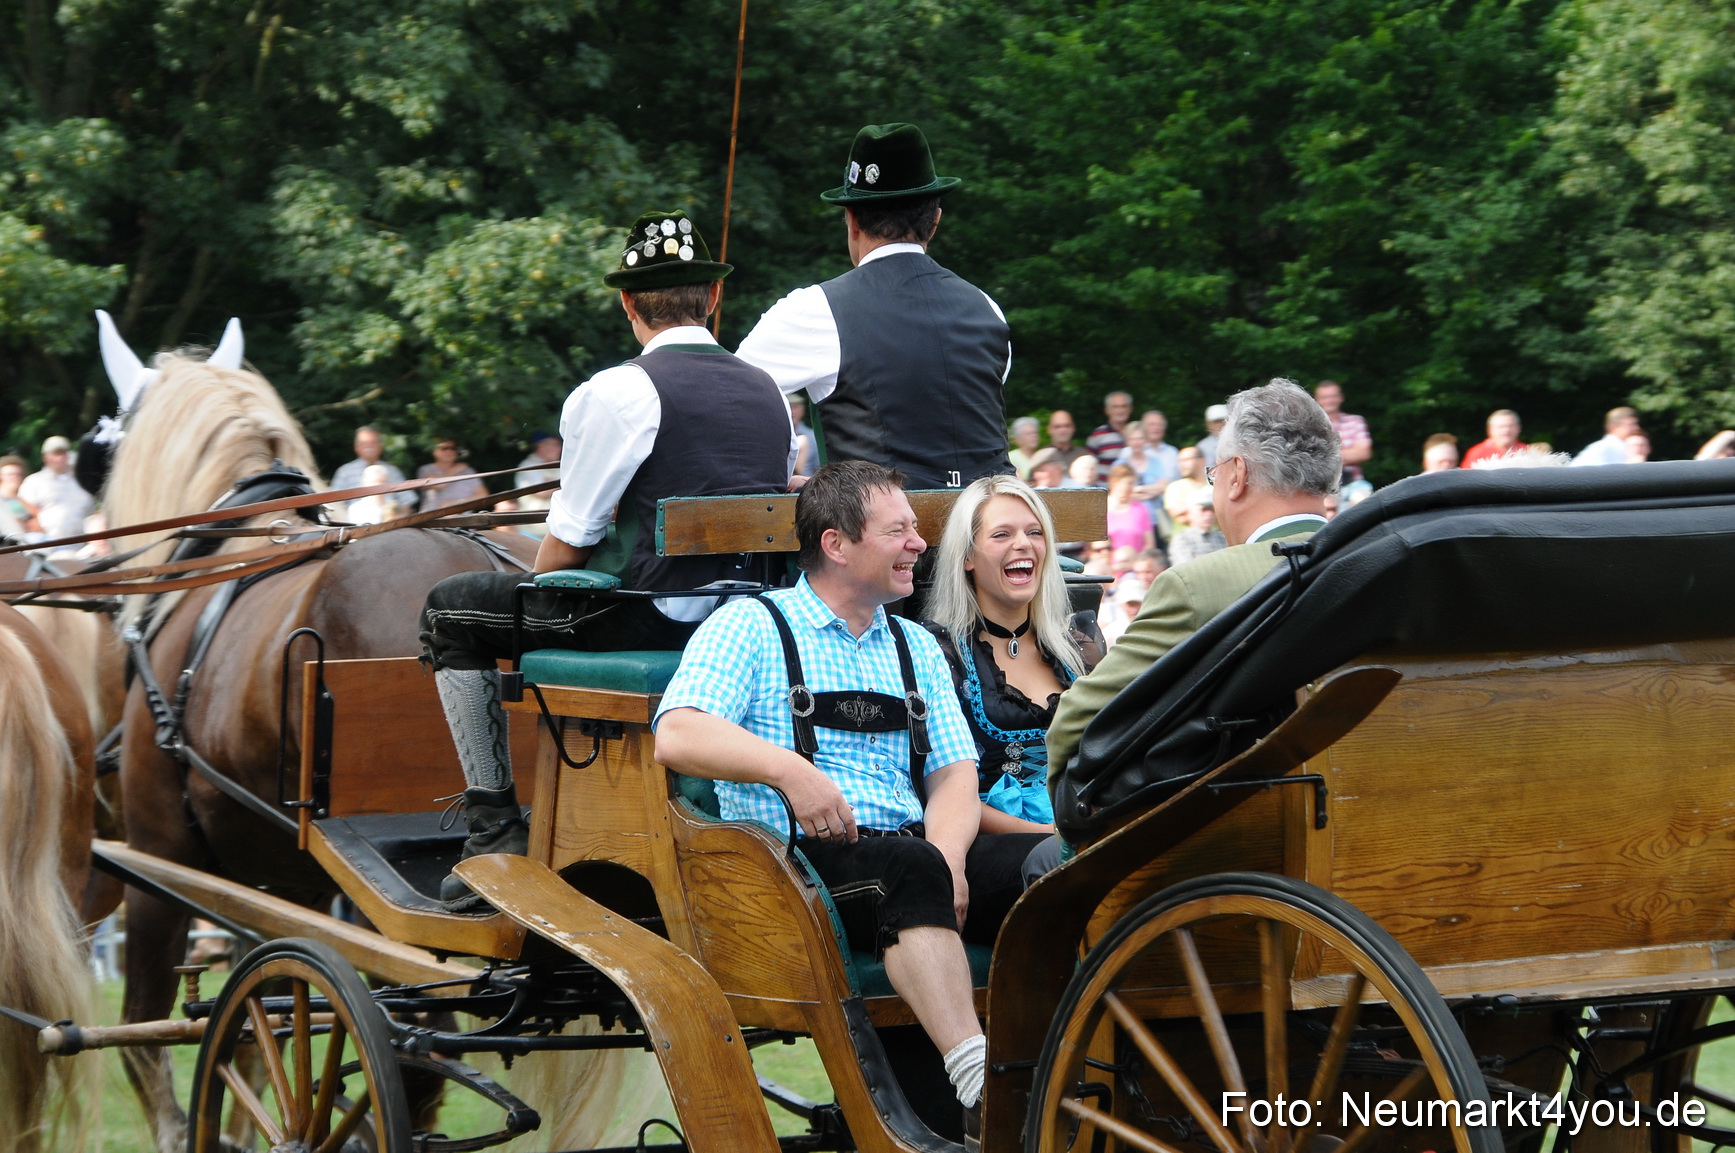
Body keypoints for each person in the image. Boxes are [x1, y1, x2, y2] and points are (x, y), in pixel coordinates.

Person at [653, 461, 1048, 1134]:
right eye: (897, 531)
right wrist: (789, 770)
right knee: (910, 867)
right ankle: (981, 1081)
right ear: (836, 544)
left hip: (912, 857)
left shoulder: (914, 644)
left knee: (1053, 863)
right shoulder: (751, 625)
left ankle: (1074, 1052)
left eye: (914, 530)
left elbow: (954, 774)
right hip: (794, 870)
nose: (919, 544)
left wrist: (952, 858)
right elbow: (678, 732)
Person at [421, 210, 794, 908]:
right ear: (713, 297)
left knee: (449, 612)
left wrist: (539, 594)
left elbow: (567, 543)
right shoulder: (769, 390)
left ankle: (493, 827)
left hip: (648, 617)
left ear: (628, 303)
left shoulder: (617, 391)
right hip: (747, 618)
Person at [1047, 379, 1337, 777]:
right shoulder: (1386, 566)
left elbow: (1076, 724)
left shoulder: (1194, 589)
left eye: (1213, 474)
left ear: (1237, 476)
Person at [737, 123, 1012, 490]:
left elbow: (729, 398)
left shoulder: (815, 309)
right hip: (991, 520)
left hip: (882, 524)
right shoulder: (988, 308)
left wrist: (790, 478)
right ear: (935, 222)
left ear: (851, 221)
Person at [921, 475, 1088, 839]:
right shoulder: (937, 652)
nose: (1023, 544)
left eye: (1035, 532)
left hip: (1081, 829)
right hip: (994, 843)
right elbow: (940, 790)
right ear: (967, 556)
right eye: (1001, 534)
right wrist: (1050, 837)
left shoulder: (1077, 647)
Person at [19, 436, 94, 543]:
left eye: (63, 453)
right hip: (49, 544)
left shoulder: (82, 479)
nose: (60, 458)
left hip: (85, 542)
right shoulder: (33, 482)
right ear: (45, 457)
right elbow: (25, 514)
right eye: (56, 454)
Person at [330, 426, 412, 517]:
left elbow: (406, 503)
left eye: (373, 442)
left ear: (381, 445)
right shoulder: (345, 472)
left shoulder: (392, 471)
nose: (369, 446)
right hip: (352, 522)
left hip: (391, 521)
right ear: (356, 447)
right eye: (364, 443)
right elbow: (334, 504)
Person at [1313, 380, 1371, 484]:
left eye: (1333, 396)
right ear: (1316, 400)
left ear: (1341, 397)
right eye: (1325, 397)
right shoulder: (1310, 425)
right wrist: (1348, 454)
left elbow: (1364, 453)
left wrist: (1323, 456)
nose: (1330, 400)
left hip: (1353, 484)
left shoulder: (1355, 421)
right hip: (1320, 485)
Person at [512, 431, 562, 538]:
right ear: (541, 446)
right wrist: (564, 483)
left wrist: (554, 483)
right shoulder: (528, 466)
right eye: (555, 445)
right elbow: (542, 491)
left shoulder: (559, 466)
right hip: (534, 530)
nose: (559, 449)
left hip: (555, 528)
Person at [416, 439, 488, 511]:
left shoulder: (468, 471)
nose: (449, 451)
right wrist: (456, 469)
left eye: (453, 448)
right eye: (444, 448)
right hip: (432, 516)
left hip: (464, 516)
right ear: (434, 451)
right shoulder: (425, 469)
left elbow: (483, 495)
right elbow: (438, 485)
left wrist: (458, 503)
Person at [1104, 464, 1156, 555]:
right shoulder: (1100, 509)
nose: (1133, 487)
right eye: (1129, 483)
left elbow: (1149, 544)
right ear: (1114, 482)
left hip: (1136, 560)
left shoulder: (1140, 509)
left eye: (1133, 483)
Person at [1086, 391, 1134, 483]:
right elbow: (1089, 465)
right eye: (1115, 407)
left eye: (1124, 406)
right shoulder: (1097, 435)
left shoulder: (1138, 434)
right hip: (1104, 488)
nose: (1120, 410)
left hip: (1132, 489)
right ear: (1107, 410)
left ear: (1130, 409)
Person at [1167, 493, 1227, 567]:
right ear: (1190, 513)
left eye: (1212, 510)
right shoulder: (1182, 539)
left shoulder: (1222, 537)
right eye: (1203, 509)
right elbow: (1186, 568)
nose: (1209, 514)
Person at [1572, 406, 1641, 466]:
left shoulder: (1622, 446)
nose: (1637, 428)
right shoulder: (1603, 447)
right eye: (1631, 424)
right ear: (1614, 427)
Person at [1161, 445, 1210, 526]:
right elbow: (1178, 517)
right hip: (1183, 534)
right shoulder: (1174, 487)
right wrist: (1208, 506)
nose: (1181, 465)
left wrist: (1187, 509)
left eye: (1186, 460)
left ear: (1201, 461)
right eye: (1180, 461)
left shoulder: (1214, 485)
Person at [1460, 410, 1525, 468]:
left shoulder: (1527, 451)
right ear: (1490, 430)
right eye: (1501, 427)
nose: (1507, 430)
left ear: (1519, 428)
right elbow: (1465, 476)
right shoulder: (1476, 452)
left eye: (1511, 426)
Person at [0, 455, 40, 538]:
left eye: (19, 474)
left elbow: (37, 524)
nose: (15, 477)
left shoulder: (24, 500)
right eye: (10, 474)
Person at [789, 396, 819, 476]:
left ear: (803, 410)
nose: (792, 412)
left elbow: (818, 466)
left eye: (795, 407)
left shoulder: (812, 436)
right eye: (789, 407)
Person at [1196, 403, 1229, 467]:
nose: (1220, 424)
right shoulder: (1202, 447)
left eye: (1223, 420)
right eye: (1216, 422)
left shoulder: (1241, 441)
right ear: (1208, 424)